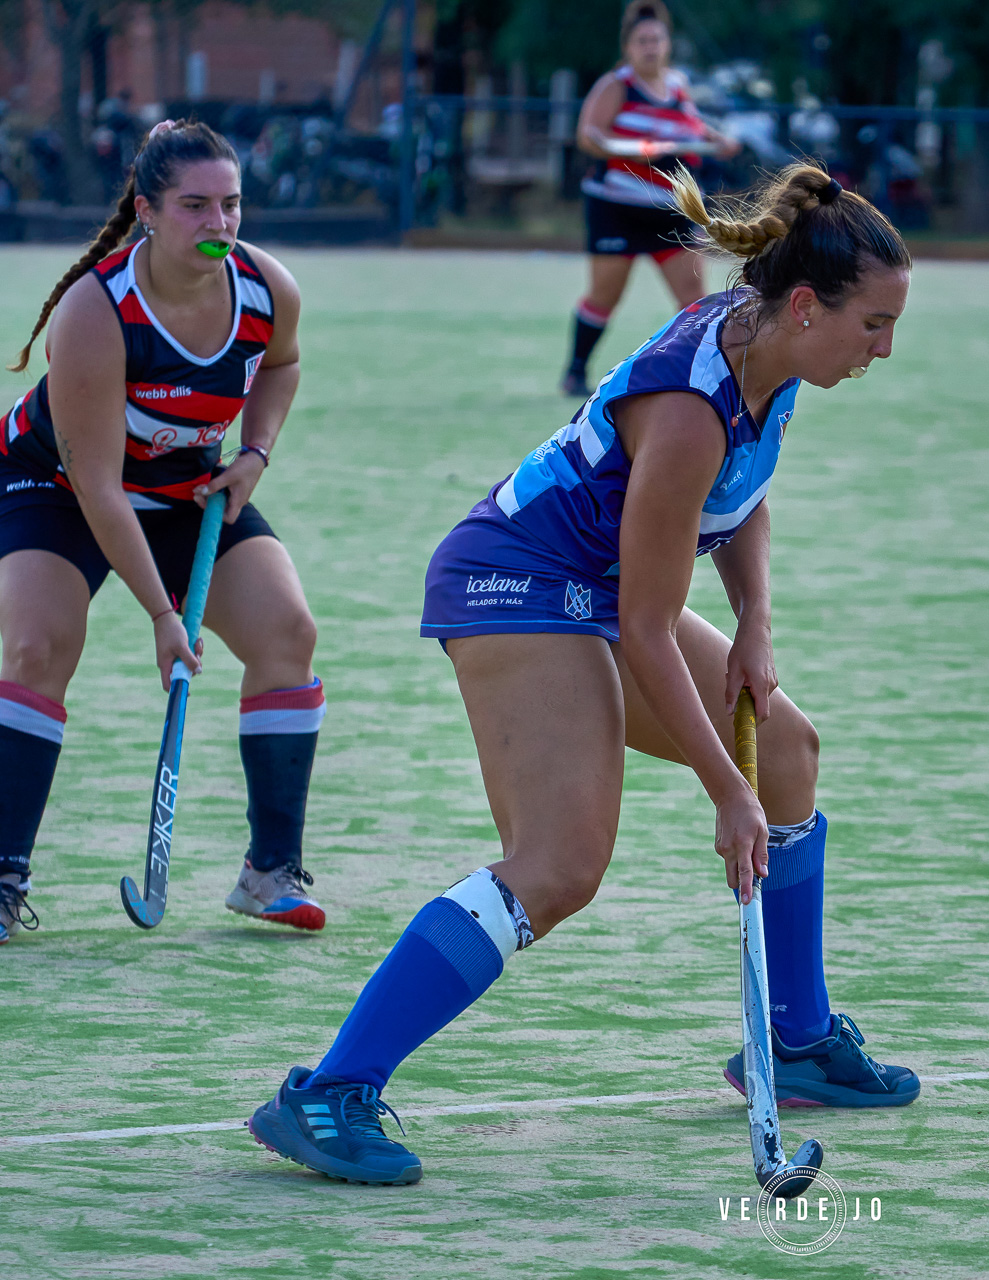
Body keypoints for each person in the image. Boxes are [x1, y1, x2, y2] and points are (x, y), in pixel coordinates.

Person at [247, 162, 919, 1185]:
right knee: (559, 862)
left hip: (600, 585)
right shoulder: (691, 403)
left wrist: (755, 622)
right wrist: (722, 792)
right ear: (803, 306)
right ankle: (330, 1089)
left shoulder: (770, 358)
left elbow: (739, 497)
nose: (884, 346)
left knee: (786, 745)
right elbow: (648, 628)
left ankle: (795, 1036)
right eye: (873, 324)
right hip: (515, 579)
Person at [0, 120, 327, 944]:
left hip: (188, 488)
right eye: (195, 207)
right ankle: (2, 876)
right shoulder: (97, 311)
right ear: (146, 210)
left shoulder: (266, 290)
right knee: (40, 646)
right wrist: (161, 615)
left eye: (232, 204)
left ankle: (270, 873)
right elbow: (99, 486)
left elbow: (281, 366)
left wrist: (254, 450)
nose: (219, 224)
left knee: (289, 633)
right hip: (60, 485)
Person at [560, 0, 740, 398]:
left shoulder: (676, 84)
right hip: (616, 209)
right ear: (628, 47)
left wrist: (716, 139)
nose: (650, 47)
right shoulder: (616, 85)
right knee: (605, 296)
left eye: (656, 39)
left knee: (695, 299)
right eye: (642, 41)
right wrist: (634, 148)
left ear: (668, 44)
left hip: (669, 210)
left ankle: (700, 378)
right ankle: (574, 372)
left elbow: (690, 124)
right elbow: (589, 136)